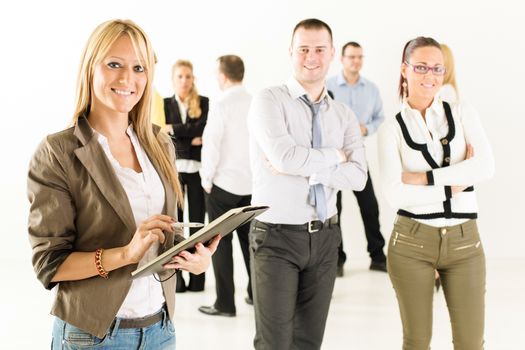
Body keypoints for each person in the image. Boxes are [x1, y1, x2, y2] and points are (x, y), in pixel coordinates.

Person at [27, 19, 220, 349]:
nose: (127, 79)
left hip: (160, 329)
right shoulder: (58, 152)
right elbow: (50, 264)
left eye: (139, 68)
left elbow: (166, 237)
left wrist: (195, 259)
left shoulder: (160, 143)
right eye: (114, 64)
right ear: (91, 68)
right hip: (92, 336)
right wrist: (127, 253)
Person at [248, 18, 367, 349]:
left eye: (319, 49)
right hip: (276, 238)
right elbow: (285, 158)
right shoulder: (268, 101)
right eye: (303, 49)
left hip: (327, 238)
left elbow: (358, 177)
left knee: (309, 342)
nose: (311, 57)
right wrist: (336, 155)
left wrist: (312, 168)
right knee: (274, 343)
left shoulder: (343, 114)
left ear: (331, 54)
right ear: (290, 53)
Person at [378, 36, 494, 349]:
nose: (431, 75)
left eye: (438, 69)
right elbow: (395, 195)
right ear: (405, 70)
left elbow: (485, 167)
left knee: (471, 342)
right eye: (421, 67)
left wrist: (424, 178)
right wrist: (452, 187)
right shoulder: (391, 129)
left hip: (465, 243)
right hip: (411, 243)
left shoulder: (463, 112)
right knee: (417, 341)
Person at [197, 55, 253, 317]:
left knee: (219, 245)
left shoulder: (221, 105)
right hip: (251, 186)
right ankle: (256, 295)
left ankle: (225, 304)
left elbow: (212, 145)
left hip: (223, 186)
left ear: (222, 76)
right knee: (252, 243)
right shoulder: (256, 103)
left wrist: (205, 180)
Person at [326, 41, 387, 274]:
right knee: (335, 209)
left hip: (358, 155)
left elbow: (379, 118)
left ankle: (378, 257)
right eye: (351, 57)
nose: (356, 61)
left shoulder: (371, 89)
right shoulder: (329, 86)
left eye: (360, 57)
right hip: (333, 157)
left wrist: (366, 129)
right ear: (342, 59)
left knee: (369, 206)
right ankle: (337, 258)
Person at [164, 59, 209, 292]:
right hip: (174, 172)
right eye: (180, 76)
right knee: (177, 224)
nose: (184, 81)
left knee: (199, 224)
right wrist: (189, 139)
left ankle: (198, 280)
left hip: (198, 172)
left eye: (188, 76)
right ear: (173, 79)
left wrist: (175, 130)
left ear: (193, 79)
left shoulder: (204, 102)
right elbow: (162, 136)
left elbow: (203, 130)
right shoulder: (164, 104)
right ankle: (178, 279)